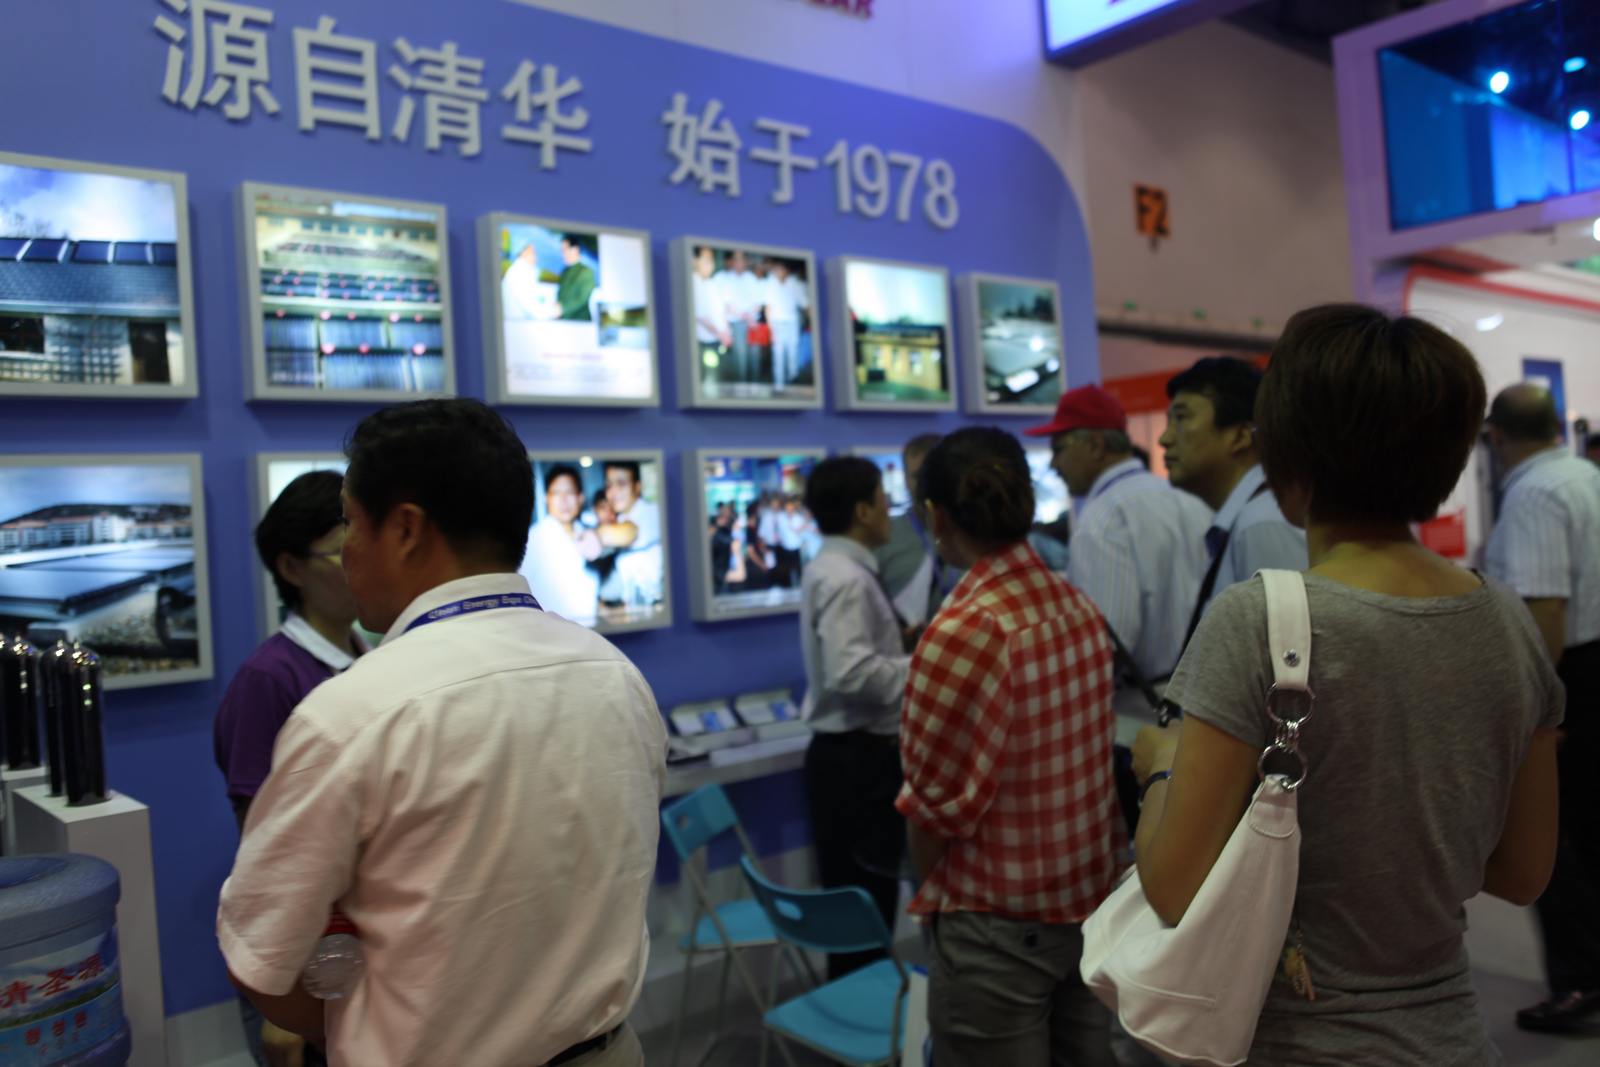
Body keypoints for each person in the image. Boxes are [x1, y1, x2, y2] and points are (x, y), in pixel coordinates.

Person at [1130, 305, 1560, 1064]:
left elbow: (1174, 888)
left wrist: (1161, 765)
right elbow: (1524, 872)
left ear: (1285, 455)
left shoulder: (1258, 619)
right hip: (1452, 1035)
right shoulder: (1507, 620)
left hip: (1297, 1038)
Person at [219, 398, 666, 1067]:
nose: (348, 552)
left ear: (405, 529)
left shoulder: (352, 714)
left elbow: (261, 963)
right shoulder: (616, 675)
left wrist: (365, 1032)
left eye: (351, 523)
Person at [897, 427, 1124, 1067]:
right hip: (1088, 905)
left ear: (936, 516)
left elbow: (933, 811)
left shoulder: (963, 629)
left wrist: (932, 902)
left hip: (994, 926)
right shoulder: (1076, 606)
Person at [215, 470, 365, 1067]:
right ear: (292, 568)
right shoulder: (269, 679)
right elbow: (265, 843)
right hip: (310, 958)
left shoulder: (366, 656)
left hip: (358, 946)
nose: (360, 561)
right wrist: (289, 995)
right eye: (341, 548)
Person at [1483, 383, 1600, 1033]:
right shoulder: (1585, 476)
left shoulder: (1532, 494)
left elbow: (1544, 610)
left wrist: (1535, 710)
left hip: (1569, 673)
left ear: (1496, 437)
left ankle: (1581, 976)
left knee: (1554, 833)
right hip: (1591, 666)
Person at [798, 456, 913, 979]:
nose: (891, 508)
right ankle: (865, 1022)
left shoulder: (834, 567)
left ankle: (862, 1014)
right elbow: (850, 672)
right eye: (884, 498)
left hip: (849, 761)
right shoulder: (847, 578)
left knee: (859, 913)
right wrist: (920, 665)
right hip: (857, 764)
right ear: (863, 511)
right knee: (864, 915)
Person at [1027, 384, 1211, 681]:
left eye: (1059, 449)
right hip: (1204, 689)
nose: (1053, 464)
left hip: (1145, 701)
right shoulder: (1187, 501)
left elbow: (1106, 648)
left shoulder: (1102, 520)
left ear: (1095, 445)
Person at [1161, 356, 1306, 636]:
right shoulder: (1252, 518)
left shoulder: (1262, 522)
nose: (1165, 439)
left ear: (1240, 435)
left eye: (1181, 418)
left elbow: (1292, 647)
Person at [874, 433, 959, 629]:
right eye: (917, 476)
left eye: (933, 474)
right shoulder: (884, 537)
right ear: (905, 479)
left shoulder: (975, 531)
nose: (925, 484)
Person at [519, 463, 601, 625]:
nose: (563, 500)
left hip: (590, 631)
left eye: (569, 492)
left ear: (581, 497)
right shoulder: (534, 538)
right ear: (546, 498)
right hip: (549, 633)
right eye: (556, 493)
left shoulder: (589, 535)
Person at [595, 460, 662, 609]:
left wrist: (597, 536)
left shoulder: (651, 513)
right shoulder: (620, 519)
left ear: (637, 486)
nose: (614, 491)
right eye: (609, 485)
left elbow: (632, 531)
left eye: (621, 483)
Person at [714, 249, 761, 383]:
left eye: (741, 259)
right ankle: (741, 387)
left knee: (755, 358)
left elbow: (759, 303)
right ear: (732, 261)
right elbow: (725, 304)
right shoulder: (726, 278)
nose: (739, 262)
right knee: (740, 358)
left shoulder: (752, 278)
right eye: (736, 259)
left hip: (753, 323)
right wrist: (741, 315)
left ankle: (755, 386)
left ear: (745, 262)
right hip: (736, 323)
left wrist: (749, 316)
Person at [764, 258, 809, 388]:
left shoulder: (794, 283)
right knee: (778, 356)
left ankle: (793, 383)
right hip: (777, 324)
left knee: (792, 355)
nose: (777, 272)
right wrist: (772, 331)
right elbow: (768, 308)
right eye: (775, 269)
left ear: (786, 270)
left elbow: (805, 305)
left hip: (792, 324)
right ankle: (779, 386)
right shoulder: (771, 283)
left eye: (780, 269)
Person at [691, 245, 732, 383]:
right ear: (694, 260)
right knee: (709, 382)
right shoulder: (692, 283)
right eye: (706, 260)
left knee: (720, 380)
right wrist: (721, 334)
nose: (711, 265)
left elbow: (721, 310)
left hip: (718, 341)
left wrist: (726, 333)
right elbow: (701, 316)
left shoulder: (710, 283)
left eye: (712, 261)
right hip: (705, 343)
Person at [557, 233, 596, 321]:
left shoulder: (586, 272)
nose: (562, 253)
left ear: (575, 249)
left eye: (565, 249)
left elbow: (582, 299)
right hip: (563, 320)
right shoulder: (565, 271)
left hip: (579, 322)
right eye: (562, 250)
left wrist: (562, 309)